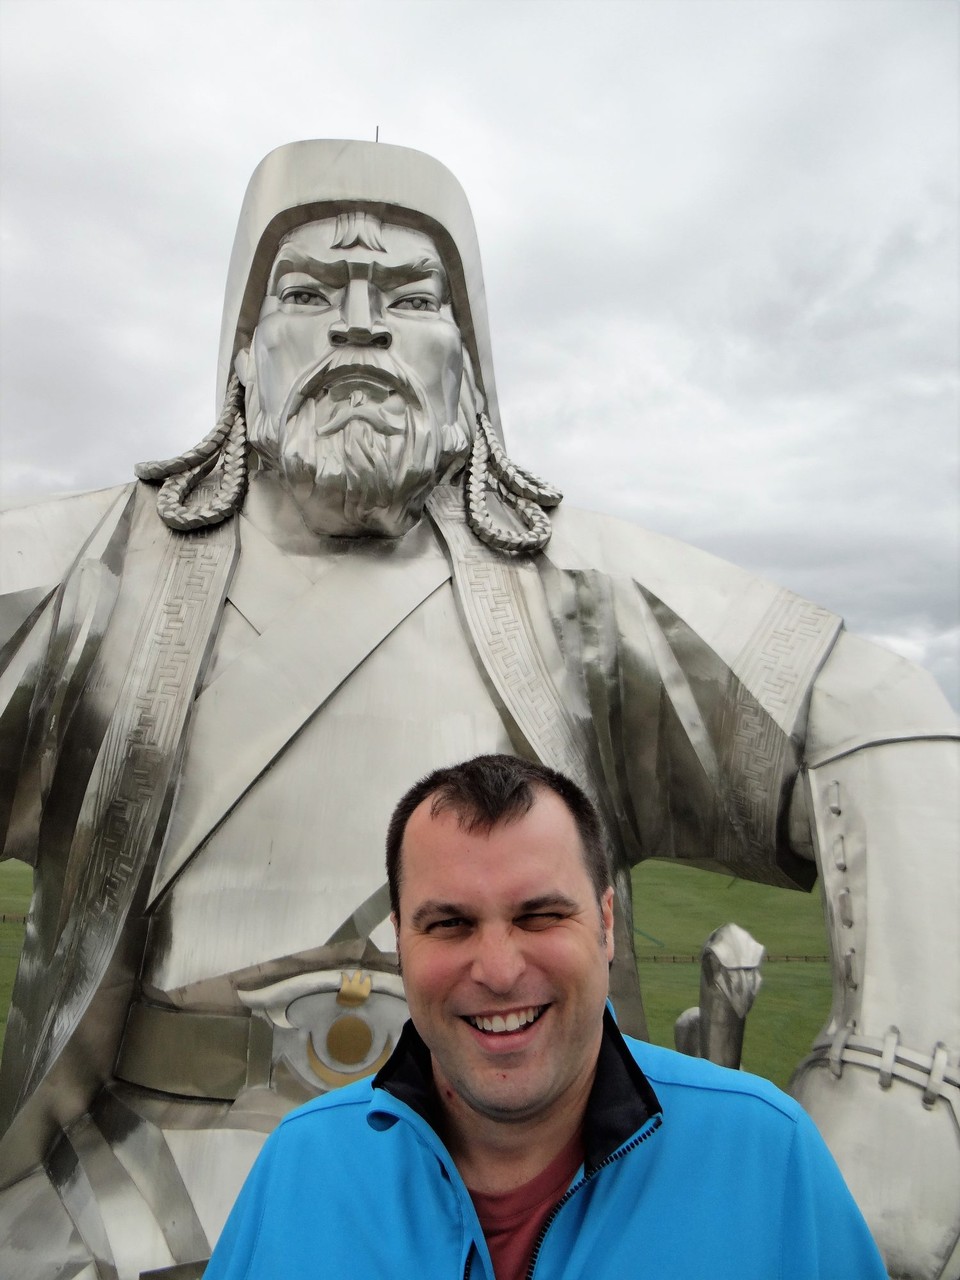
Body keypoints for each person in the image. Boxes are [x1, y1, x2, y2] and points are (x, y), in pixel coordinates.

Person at [0, 140, 956, 1278]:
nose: (362, 324)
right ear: (243, 352)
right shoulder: (102, 570)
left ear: (472, 358)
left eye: (412, 296)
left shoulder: (564, 587)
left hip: (524, 1172)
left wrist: (903, 1077)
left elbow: (873, 707)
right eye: (309, 290)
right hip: (124, 1187)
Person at [205, 753, 888, 1279]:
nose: (499, 971)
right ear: (399, 940)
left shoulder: (767, 1159)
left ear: (608, 924)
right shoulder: (300, 1169)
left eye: (541, 915)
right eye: (448, 924)